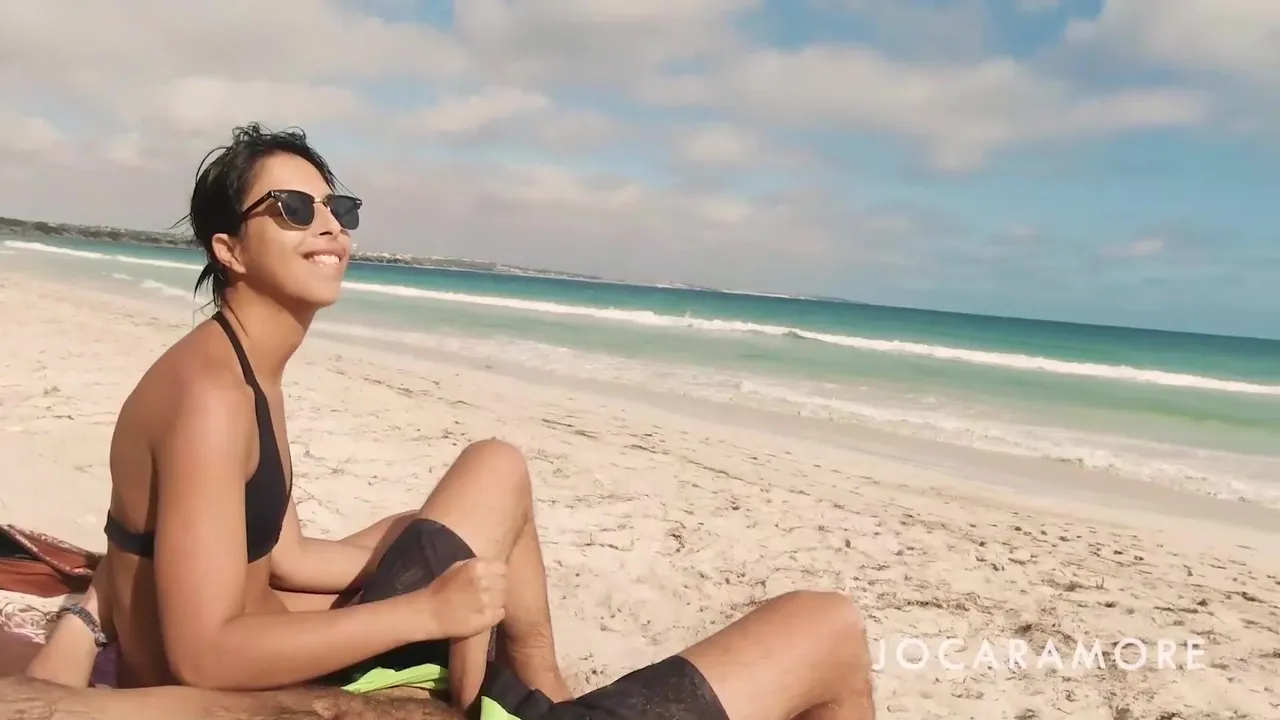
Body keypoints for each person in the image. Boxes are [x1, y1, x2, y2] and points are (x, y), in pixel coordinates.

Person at [88, 122, 877, 720]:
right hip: (266, 694)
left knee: (494, 467)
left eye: (339, 207)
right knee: (826, 626)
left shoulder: (244, 365)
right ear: (229, 248)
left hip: (284, 658)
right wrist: (427, 609)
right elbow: (202, 653)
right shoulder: (211, 399)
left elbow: (284, 556)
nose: (331, 227)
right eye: (295, 209)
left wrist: (408, 539)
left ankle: (540, 689)